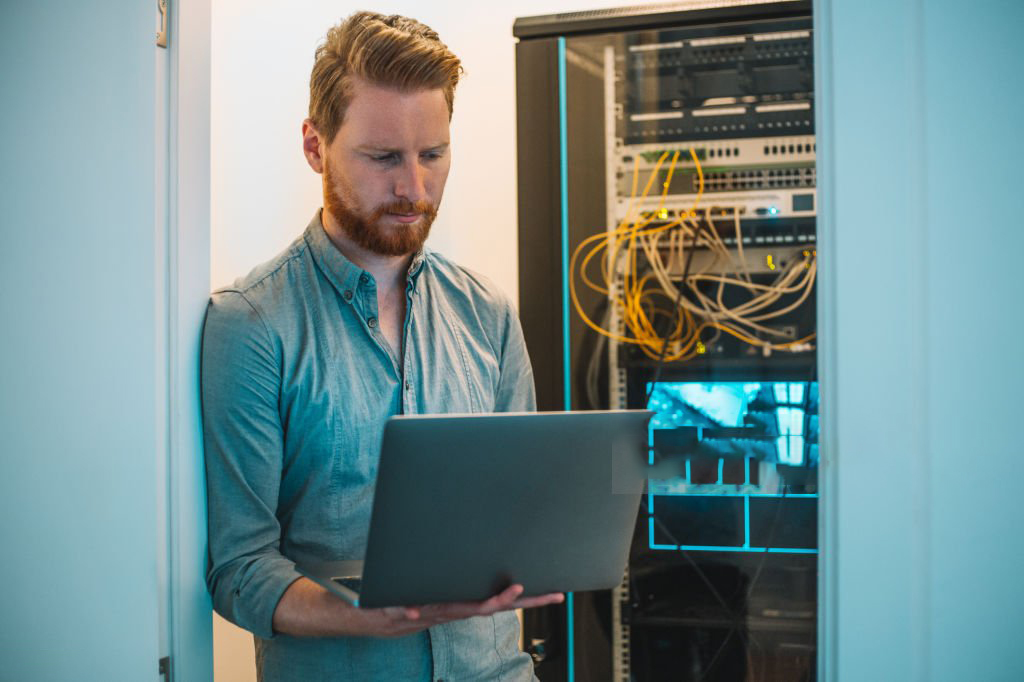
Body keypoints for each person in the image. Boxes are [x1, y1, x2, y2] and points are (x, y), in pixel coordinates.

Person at [201, 11, 562, 681]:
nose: (415, 189)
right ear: (315, 146)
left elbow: (517, 519)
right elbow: (238, 571)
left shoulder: (489, 315)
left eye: (433, 154)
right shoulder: (251, 325)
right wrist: (377, 616)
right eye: (383, 158)